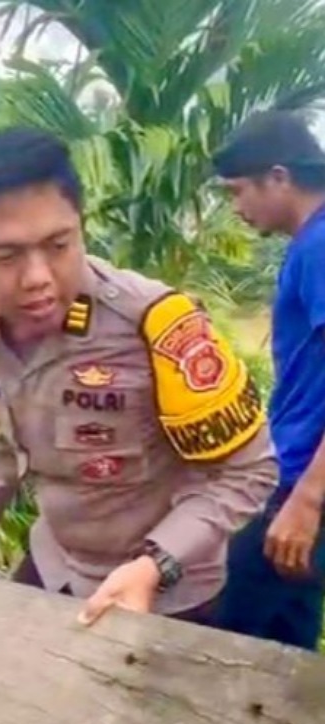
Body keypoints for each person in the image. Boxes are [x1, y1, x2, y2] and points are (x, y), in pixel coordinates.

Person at [0, 126, 277, 724]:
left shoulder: (159, 327)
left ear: (80, 226)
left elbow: (246, 473)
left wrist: (152, 566)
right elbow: (5, 443)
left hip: (171, 590)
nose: (38, 278)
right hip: (58, 565)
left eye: (59, 244)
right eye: (5, 255)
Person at [212, 110, 325, 651]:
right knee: (285, 643)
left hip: (307, 480)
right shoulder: (308, 245)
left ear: (278, 177)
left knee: (230, 633)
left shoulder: (322, 247)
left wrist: (308, 500)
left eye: (238, 192)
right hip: (294, 471)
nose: (237, 208)